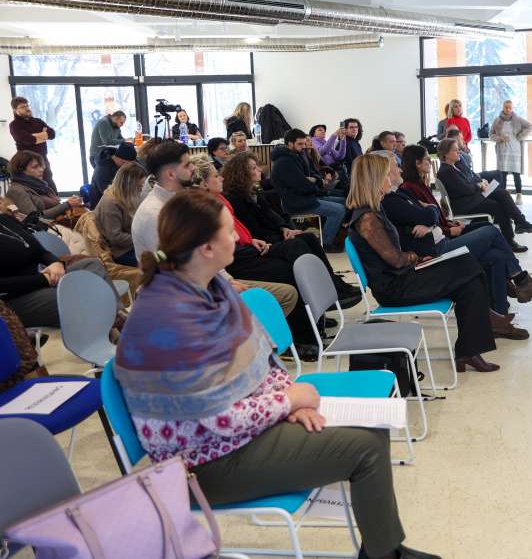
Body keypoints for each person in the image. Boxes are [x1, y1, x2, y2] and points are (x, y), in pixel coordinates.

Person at [115, 190, 439, 559]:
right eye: (228, 231)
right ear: (206, 248)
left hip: (235, 438)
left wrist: (291, 400)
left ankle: (383, 549)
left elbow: (262, 360)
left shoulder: (212, 288)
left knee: (372, 429)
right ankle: (385, 554)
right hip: (201, 465)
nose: (237, 237)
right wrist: (286, 402)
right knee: (363, 449)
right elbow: (214, 418)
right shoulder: (168, 318)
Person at [347, 154, 500, 373]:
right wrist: (415, 257)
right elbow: (395, 259)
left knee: (469, 278)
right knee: (468, 267)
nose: (390, 179)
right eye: (386, 176)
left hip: (402, 277)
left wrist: (418, 259)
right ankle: (474, 344)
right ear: (375, 180)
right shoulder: (367, 219)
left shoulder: (374, 211)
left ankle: (470, 350)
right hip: (395, 288)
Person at [132, 140, 300, 321]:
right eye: (187, 165)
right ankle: (245, 335)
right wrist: (224, 284)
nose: (193, 169)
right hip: (181, 298)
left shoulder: (179, 202)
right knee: (281, 295)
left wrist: (227, 279)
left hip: (204, 281)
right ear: (171, 174)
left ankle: (254, 335)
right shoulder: (155, 214)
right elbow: (177, 271)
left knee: (286, 294)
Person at [389, 147, 532, 328]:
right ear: (417, 163)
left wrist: (439, 220)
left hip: (443, 237)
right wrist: (439, 222)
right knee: (492, 230)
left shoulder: (412, 188)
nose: (400, 169)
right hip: (437, 249)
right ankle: (521, 280)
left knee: (496, 255)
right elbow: (429, 216)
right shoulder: (403, 193)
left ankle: (500, 316)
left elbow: (432, 216)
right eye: (395, 166)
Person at [221, 152, 361, 306]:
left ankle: (333, 282)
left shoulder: (254, 193)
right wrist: (281, 235)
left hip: (272, 235)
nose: (259, 170)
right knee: (296, 244)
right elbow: (254, 229)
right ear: (241, 173)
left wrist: (284, 228)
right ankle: (324, 291)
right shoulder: (236, 199)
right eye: (253, 168)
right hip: (262, 244)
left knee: (309, 238)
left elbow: (272, 216)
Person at [0, 208, 113, 329]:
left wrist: (55, 263)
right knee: (70, 297)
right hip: (13, 299)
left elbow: (40, 252)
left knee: (92, 265)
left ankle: (116, 320)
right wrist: (43, 280)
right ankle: (104, 330)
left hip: (43, 279)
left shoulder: (6, 220)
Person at [435, 139, 532, 252]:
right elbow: (466, 189)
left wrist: (480, 183)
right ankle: (515, 232)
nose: (459, 152)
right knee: (499, 205)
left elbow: (469, 182)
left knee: (502, 194)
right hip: (465, 204)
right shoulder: (447, 171)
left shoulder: (453, 167)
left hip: (470, 199)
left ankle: (518, 226)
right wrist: (479, 186)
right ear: (446, 154)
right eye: (455, 150)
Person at [271, 129, 347, 249]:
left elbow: (312, 175)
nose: (304, 146)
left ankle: (335, 234)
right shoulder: (284, 162)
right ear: (290, 143)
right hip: (298, 203)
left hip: (307, 197)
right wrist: (317, 184)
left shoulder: (295, 156)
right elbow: (303, 185)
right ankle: (325, 243)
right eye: (300, 144)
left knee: (345, 202)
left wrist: (315, 180)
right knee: (339, 210)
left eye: (304, 143)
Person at [95, 162, 148, 267]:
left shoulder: (124, 196)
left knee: (163, 253)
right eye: (139, 187)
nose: (141, 190)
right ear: (129, 185)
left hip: (130, 245)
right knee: (158, 260)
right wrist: (141, 238)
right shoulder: (111, 203)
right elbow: (115, 237)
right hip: (120, 252)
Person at [6, 151, 84, 222]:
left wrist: (70, 203)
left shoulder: (41, 186)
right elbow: (34, 218)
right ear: (21, 171)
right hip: (45, 229)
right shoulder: (16, 190)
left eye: (41, 166)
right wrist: (67, 204)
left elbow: (56, 206)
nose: (41, 169)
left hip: (56, 224)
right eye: (35, 167)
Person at [8, 96, 57, 192]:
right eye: (22, 107)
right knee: (33, 187)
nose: (27, 108)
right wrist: (43, 135)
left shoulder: (38, 121)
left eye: (27, 105)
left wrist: (35, 136)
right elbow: (27, 139)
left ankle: (56, 201)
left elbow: (52, 134)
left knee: (49, 184)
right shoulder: (14, 125)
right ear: (15, 110)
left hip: (43, 159)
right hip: (27, 162)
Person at [490, 100, 532, 199]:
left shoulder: (517, 119)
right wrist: (499, 138)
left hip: (514, 150)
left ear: (512, 108)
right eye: (506, 107)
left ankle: (519, 195)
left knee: (516, 174)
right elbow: (491, 134)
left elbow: (530, 126)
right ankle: (504, 196)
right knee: (503, 175)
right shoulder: (497, 120)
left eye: (510, 107)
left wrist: (520, 136)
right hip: (502, 151)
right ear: (503, 107)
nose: (508, 109)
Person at [88, 142, 138, 208]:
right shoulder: (103, 169)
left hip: (117, 198)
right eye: (130, 164)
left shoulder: (119, 160)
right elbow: (109, 194)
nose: (131, 167)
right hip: (101, 204)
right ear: (122, 161)